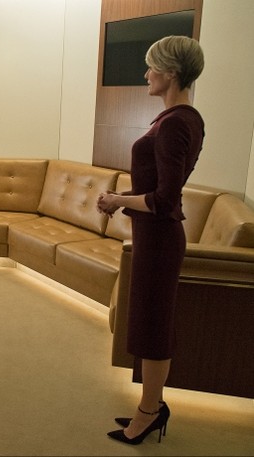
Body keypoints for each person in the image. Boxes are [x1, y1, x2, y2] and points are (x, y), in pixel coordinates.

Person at [97, 35, 205, 445]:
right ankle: (151, 404)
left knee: (153, 328)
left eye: (151, 67)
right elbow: (160, 190)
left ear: (171, 72)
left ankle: (149, 412)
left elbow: (164, 200)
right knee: (147, 323)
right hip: (154, 237)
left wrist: (116, 199)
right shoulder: (183, 118)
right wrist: (123, 197)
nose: (146, 74)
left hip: (159, 240)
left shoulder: (175, 122)